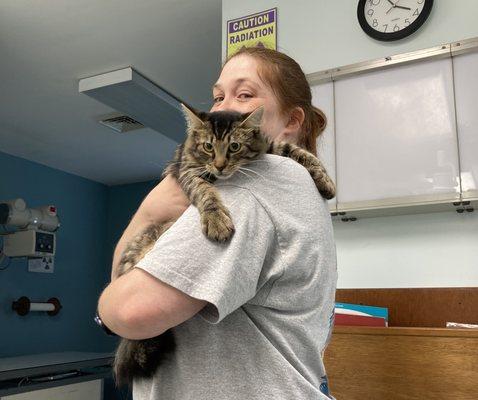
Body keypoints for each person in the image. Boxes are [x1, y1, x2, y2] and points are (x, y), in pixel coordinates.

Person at [98, 46, 338, 400]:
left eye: (244, 95)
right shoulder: (297, 185)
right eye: (217, 96)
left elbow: (129, 310)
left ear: (291, 121)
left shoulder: (256, 180)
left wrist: (105, 311)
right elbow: (125, 274)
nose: (223, 107)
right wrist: (151, 215)